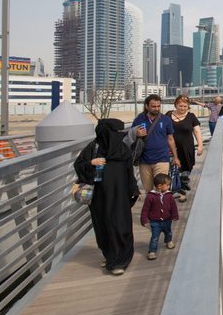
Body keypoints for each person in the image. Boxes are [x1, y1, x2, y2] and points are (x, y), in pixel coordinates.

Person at [74, 118, 139, 275]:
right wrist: (91, 163)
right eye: (117, 132)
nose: (120, 135)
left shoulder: (123, 150)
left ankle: (120, 261)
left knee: (120, 225)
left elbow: (129, 172)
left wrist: (134, 189)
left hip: (120, 197)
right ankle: (108, 254)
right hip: (99, 198)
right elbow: (79, 166)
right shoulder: (93, 149)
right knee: (103, 226)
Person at [132, 94, 180, 197]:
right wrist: (136, 133)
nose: (156, 108)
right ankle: (152, 211)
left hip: (162, 158)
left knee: (161, 189)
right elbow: (130, 136)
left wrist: (175, 157)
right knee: (149, 191)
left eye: (158, 106)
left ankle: (162, 211)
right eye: (153, 106)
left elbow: (170, 139)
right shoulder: (139, 119)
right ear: (146, 106)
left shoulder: (165, 119)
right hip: (144, 160)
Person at [166, 95, 203, 202]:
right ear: (175, 105)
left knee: (185, 171)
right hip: (170, 149)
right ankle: (175, 190)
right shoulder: (168, 115)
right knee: (172, 170)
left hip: (187, 149)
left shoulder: (191, 117)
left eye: (185, 106)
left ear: (188, 107)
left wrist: (200, 145)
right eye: (180, 106)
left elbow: (197, 131)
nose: (182, 108)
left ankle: (182, 190)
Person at [140, 173, 179, 260]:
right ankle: (152, 251)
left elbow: (173, 207)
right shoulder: (150, 196)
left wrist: (175, 215)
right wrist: (144, 219)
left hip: (167, 219)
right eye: (167, 185)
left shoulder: (169, 196)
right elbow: (145, 209)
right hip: (155, 222)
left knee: (168, 232)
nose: (169, 186)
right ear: (159, 186)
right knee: (155, 237)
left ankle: (168, 241)